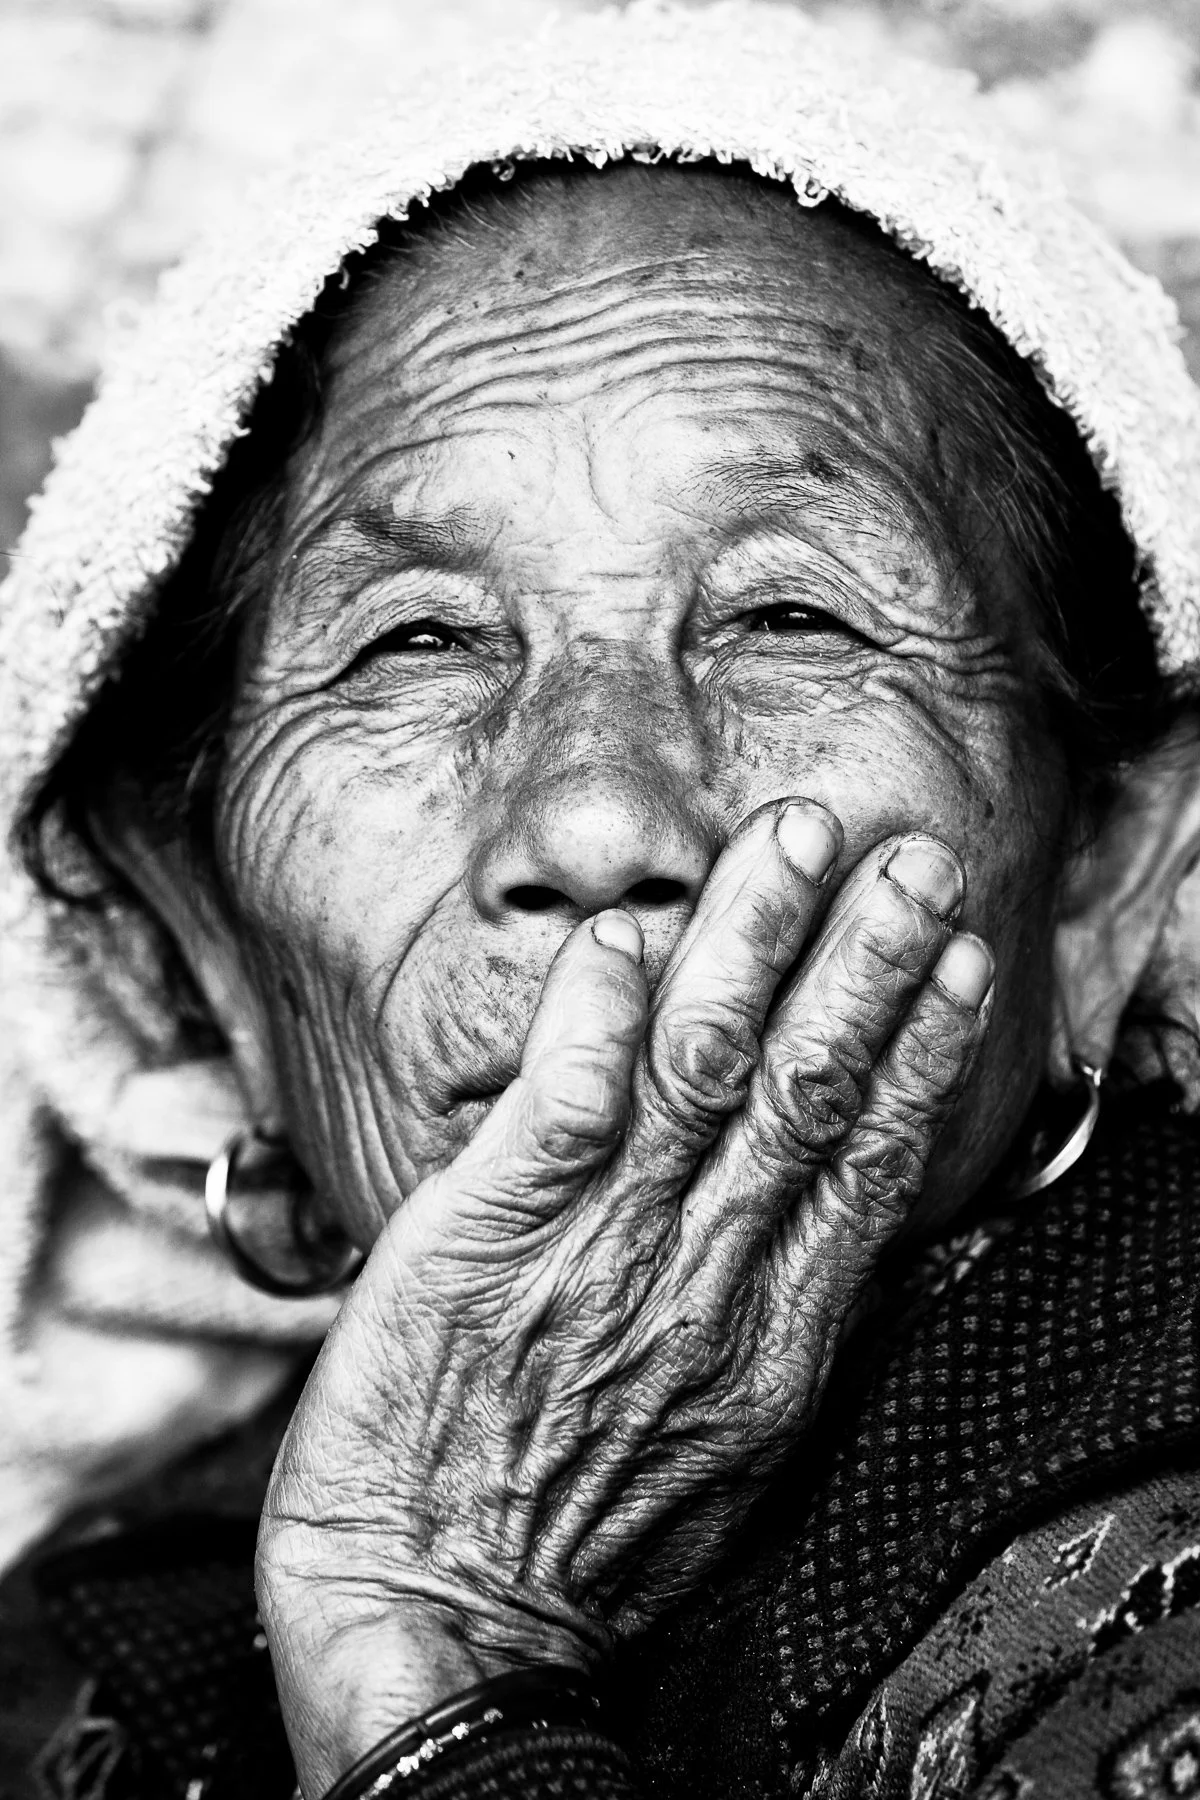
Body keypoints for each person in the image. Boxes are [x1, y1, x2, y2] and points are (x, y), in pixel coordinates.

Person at [2, 6, 1200, 1798]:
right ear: (188, 952)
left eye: (791, 618)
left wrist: (430, 1644)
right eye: (415, 644)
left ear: (1111, 866)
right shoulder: (97, 1658)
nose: (596, 809)